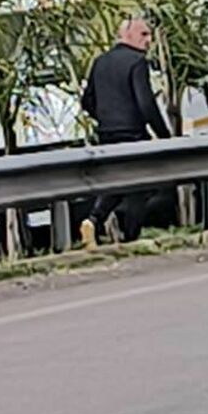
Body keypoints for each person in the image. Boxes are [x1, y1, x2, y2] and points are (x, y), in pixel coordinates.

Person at [78, 18, 173, 249]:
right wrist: (165, 135)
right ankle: (131, 239)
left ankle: (93, 219)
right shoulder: (137, 62)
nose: (149, 41)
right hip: (132, 134)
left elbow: (86, 100)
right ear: (126, 35)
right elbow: (146, 104)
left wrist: (105, 118)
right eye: (144, 34)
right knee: (139, 186)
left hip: (107, 135)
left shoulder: (100, 62)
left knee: (117, 181)